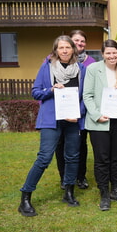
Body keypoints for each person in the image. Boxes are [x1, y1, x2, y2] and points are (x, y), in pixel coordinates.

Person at [18, 35, 86, 217]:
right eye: (61, 48)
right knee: (44, 157)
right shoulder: (47, 67)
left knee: (72, 157)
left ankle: (69, 193)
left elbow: (84, 96)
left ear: (73, 49)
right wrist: (51, 90)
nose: (64, 51)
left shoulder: (80, 69)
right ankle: (25, 196)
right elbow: (35, 92)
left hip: (72, 121)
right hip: (51, 120)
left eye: (68, 48)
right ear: (56, 50)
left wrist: (77, 113)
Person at [83, 39, 117, 211]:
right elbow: (87, 95)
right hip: (100, 122)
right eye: (108, 53)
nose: (112, 56)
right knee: (102, 159)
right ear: (103, 53)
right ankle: (104, 193)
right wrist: (97, 115)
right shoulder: (93, 69)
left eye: (114, 52)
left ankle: (116, 190)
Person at [55, 30, 95, 190]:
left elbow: (88, 91)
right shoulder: (52, 61)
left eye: (82, 41)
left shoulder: (90, 62)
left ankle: (80, 176)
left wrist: (80, 112)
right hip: (60, 113)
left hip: (79, 113)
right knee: (60, 144)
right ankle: (64, 177)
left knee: (81, 145)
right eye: (76, 41)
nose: (79, 44)